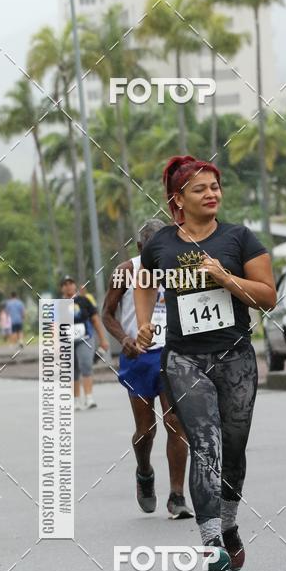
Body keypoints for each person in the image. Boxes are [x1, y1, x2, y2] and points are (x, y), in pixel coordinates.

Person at [134, 155, 276, 571]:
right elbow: (143, 283)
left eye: (215, 187)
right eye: (200, 189)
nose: (212, 194)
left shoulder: (240, 239)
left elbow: (267, 296)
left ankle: (228, 522)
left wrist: (225, 277)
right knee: (206, 445)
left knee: (232, 449)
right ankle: (212, 543)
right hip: (184, 360)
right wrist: (144, 323)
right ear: (178, 199)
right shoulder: (160, 245)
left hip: (234, 357)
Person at [102, 219, 193, 519]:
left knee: (176, 424)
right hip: (138, 357)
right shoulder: (126, 271)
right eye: (152, 249)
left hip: (172, 353)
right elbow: (107, 314)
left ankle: (177, 495)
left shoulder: (177, 268)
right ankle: (144, 471)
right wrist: (124, 339)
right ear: (140, 248)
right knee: (146, 430)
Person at [60, 275, 109, 410]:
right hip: (66, 341)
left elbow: (95, 320)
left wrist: (103, 339)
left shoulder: (84, 301)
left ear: (75, 286)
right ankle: (75, 399)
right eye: (65, 284)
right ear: (62, 288)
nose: (68, 286)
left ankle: (89, 397)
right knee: (72, 370)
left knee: (86, 364)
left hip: (85, 338)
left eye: (71, 283)